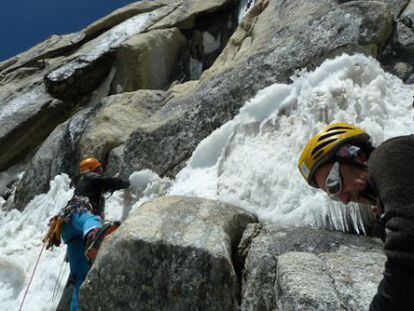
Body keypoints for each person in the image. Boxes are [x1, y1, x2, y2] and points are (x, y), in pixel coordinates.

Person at [298, 122, 414, 311]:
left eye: (335, 184)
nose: (343, 199)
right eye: (333, 195)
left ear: (357, 155)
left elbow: (407, 256)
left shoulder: (387, 156)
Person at [53, 157, 130, 311]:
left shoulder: (84, 186)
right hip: (80, 218)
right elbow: (111, 182)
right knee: (91, 219)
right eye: (99, 169)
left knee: (80, 277)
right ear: (93, 169)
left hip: (71, 232)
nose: (101, 172)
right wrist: (128, 183)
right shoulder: (90, 177)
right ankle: (93, 235)